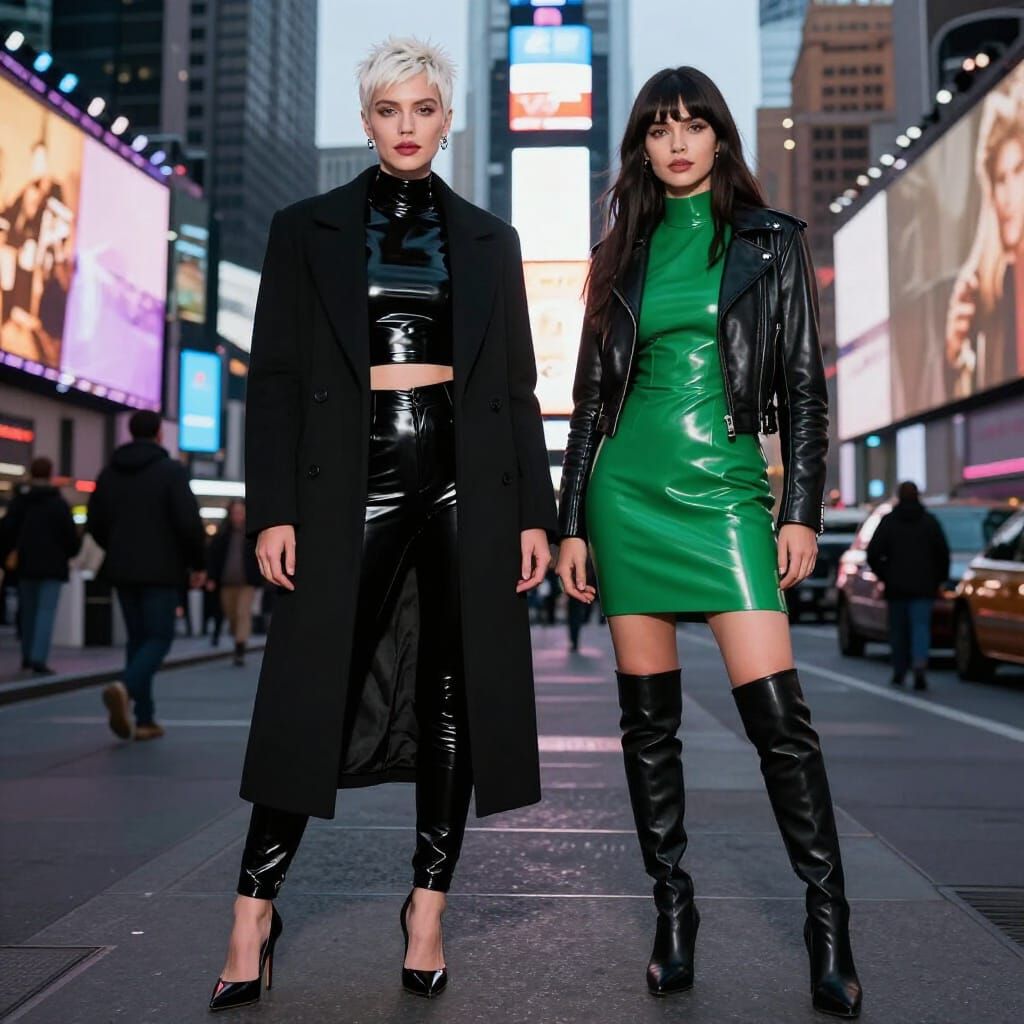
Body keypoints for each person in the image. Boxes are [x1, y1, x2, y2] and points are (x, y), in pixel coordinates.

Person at [208, 37, 556, 1013]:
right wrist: (271, 505)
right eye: (389, 110)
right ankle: (252, 912)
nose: (407, 125)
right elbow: (271, 380)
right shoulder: (304, 226)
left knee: (450, 697)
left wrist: (534, 510)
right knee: (308, 693)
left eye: (424, 109)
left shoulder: (491, 239)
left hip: (462, 482)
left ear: (448, 121)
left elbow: (517, 389)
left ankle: (429, 906)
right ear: (366, 121)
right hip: (344, 481)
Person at [556, 67, 861, 1018]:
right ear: (641, 146)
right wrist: (570, 521)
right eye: (659, 128)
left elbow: (805, 388)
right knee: (650, 728)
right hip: (628, 491)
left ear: (720, 137)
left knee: (780, 723)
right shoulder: (621, 251)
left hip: (729, 494)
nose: (677, 142)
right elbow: (589, 400)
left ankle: (828, 926)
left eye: (693, 125)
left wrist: (799, 509)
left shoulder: (773, 243)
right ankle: (673, 915)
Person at [86, 409, 206, 741]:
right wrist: (197, 563)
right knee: (159, 637)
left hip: (122, 568)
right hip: (161, 569)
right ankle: (126, 687)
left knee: (138, 639)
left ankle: (144, 718)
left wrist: (117, 546)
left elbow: (94, 523)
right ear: (159, 435)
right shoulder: (171, 471)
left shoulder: (110, 473)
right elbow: (188, 523)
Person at [944, 82, 1024, 396]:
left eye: (1018, 171)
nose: (1006, 195)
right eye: (999, 179)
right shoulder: (994, 292)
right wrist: (959, 358)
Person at [866, 481, 950, 691]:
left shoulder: (889, 522)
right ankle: (919, 664)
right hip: (924, 587)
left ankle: (899, 669)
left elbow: (873, 553)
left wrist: (885, 575)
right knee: (920, 627)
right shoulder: (930, 522)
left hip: (896, 588)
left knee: (898, 630)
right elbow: (942, 554)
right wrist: (938, 580)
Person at [0, 456, 80, 674]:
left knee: (28, 611)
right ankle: (38, 657)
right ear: (50, 473)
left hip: (25, 565)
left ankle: (26, 655)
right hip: (52, 566)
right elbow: (71, 540)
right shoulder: (59, 504)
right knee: (46, 611)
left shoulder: (20, 502)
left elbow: (6, 531)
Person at [206, 500, 261, 666]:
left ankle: (240, 648)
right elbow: (212, 558)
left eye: (241, 512)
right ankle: (238, 640)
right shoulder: (222, 535)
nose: (238, 516)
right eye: (235, 512)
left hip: (247, 583)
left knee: (242, 613)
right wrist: (211, 578)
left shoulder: (253, 534)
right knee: (231, 615)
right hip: (226, 583)